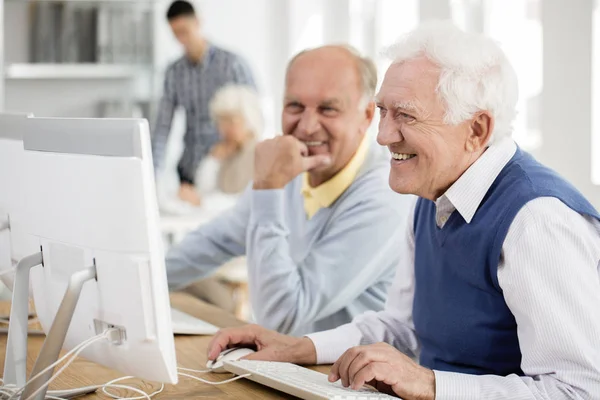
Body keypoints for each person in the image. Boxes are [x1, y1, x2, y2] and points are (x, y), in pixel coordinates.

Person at [206, 21, 600, 400]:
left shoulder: (538, 221)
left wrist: (431, 386)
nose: (382, 136)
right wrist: (298, 348)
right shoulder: (433, 194)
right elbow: (403, 323)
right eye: (382, 111)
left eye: (406, 115)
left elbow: (578, 390)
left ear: (476, 130)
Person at [166, 45, 413, 336]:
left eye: (328, 109)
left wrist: (268, 188)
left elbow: (282, 316)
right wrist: (130, 283)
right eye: (295, 106)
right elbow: (213, 242)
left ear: (367, 116)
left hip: (339, 378)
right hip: (287, 367)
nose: (307, 127)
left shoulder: (385, 195)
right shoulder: (292, 171)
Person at [152, 0, 257, 206]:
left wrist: (235, 146)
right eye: (176, 34)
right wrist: (153, 175)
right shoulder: (174, 73)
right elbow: (162, 128)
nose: (182, 39)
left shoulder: (232, 65)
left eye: (185, 31)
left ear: (198, 23)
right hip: (190, 169)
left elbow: (255, 115)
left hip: (227, 169)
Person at [194, 84, 262, 197]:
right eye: (220, 122)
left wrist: (203, 202)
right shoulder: (225, 152)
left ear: (249, 120)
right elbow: (203, 189)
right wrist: (213, 159)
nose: (224, 129)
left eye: (230, 121)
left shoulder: (259, 154)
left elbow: (243, 203)